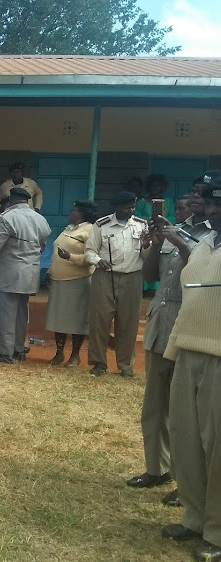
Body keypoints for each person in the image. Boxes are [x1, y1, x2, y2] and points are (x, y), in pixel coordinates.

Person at [125, 192, 210, 500]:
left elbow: (199, 273)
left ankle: (184, 482)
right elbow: (150, 277)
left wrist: (178, 242)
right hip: (161, 323)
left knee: (185, 412)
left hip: (189, 325)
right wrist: (158, 242)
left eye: (203, 196)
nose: (195, 202)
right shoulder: (175, 230)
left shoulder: (211, 237)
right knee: (155, 404)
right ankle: (156, 468)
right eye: (192, 197)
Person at [158, 173, 221, 562]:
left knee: (217, 449)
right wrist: (171, 353)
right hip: (189, 354)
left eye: (217, 205)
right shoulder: (204, 246)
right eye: (211, 204)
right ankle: (195, 517)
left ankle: (217, 532)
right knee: (186, 439)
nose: (212, 211)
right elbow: (190, 302)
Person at [0, 187, 51, 363]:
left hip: (7, 274)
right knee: (21, 313)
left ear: (11, 200)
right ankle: (19, 349)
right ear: (27, 201)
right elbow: (42, 245)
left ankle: (5, 353)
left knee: (5, 313)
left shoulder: (6, 218)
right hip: (30, 273)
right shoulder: (40, 219)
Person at [85, 191, 150, 377]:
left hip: (132, 277)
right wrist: (98, 261)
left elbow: (146, 256)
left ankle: (125, 365)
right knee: (100, 321)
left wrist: (147, 245)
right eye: (127, 207)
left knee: (128, 323)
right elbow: (89, 251)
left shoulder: (141, 225)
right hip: (105, 277)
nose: (131, 210)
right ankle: (98, 363)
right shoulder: (101, 225)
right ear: (116, 208)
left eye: (132, 207)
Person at [45, 200, 98, 367]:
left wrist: (70, 257)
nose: (70, 212)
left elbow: (91, 258)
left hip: (78, 282)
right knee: (59, 319)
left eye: (73, 210)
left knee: (77, 320)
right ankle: (59, 353)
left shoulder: (89, 230)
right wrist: (49, 271)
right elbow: (56, 253)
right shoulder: (68, 229)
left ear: (81, 214)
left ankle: (75, 355)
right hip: (58, 281)